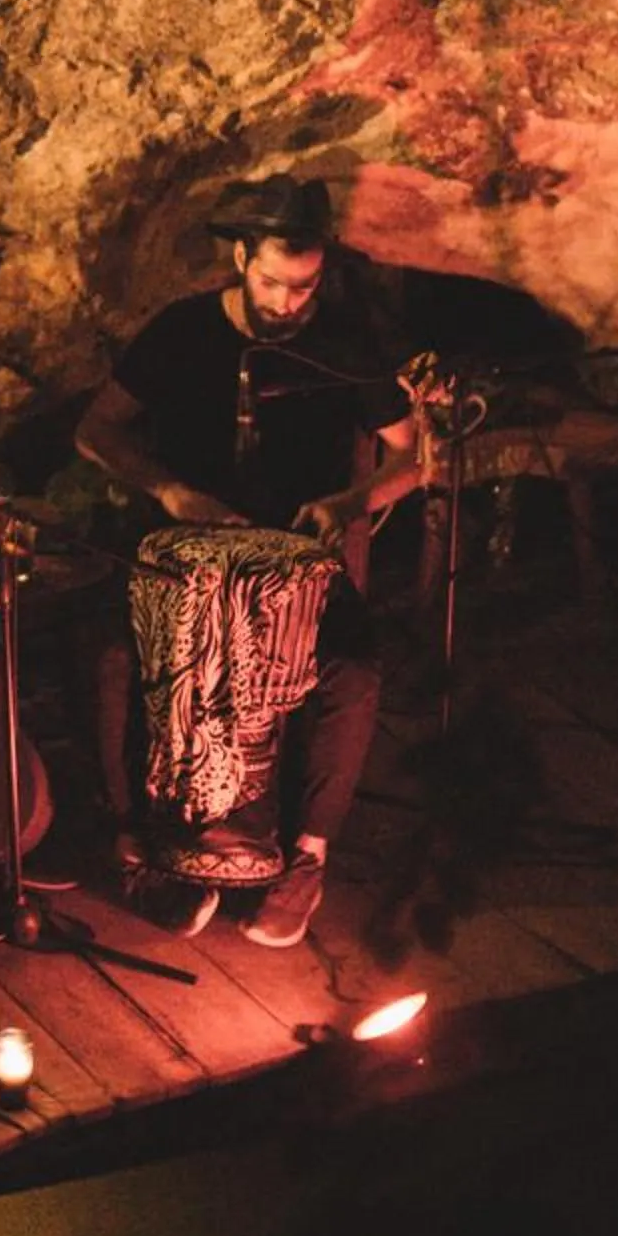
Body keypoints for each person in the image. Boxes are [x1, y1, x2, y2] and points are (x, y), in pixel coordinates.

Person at [74, 174, 422, 947]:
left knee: (355, 673)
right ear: (238, 257)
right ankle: (140, 836)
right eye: (273, 282)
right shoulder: (183, 332)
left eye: (305, 285)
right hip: (188, 559)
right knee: (108, 656)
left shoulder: (344, 342)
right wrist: (166, 489)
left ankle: (306, 857)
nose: (290, 302)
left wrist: (346, 503)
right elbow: (96, 432)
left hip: (294, 567)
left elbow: (412, 459)